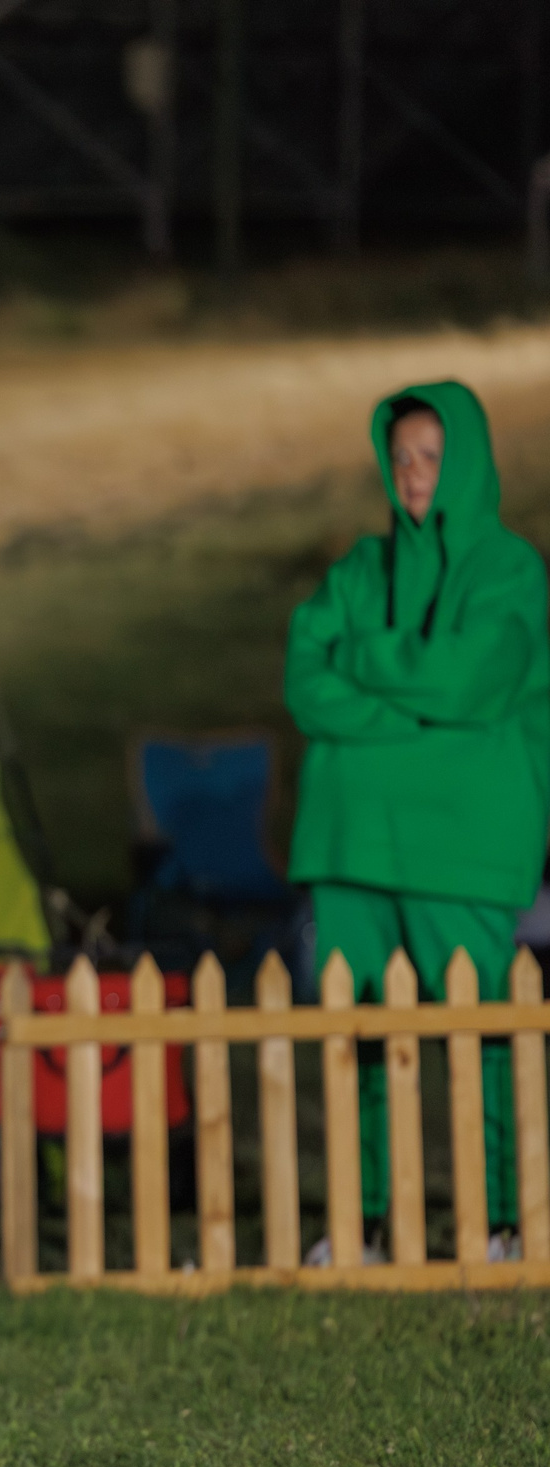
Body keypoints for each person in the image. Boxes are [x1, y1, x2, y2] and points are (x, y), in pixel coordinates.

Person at [286, 381, 548, 1264]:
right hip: (351, 843)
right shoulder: (359, 570)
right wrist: (429, 727)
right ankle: (362, 1223)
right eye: (399, 457)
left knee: (481, 1033)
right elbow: (302, 676)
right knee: (350, 1036)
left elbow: (472, 679)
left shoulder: (509, 570)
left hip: (462, 849)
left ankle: (508, 1217)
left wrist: (360, 668)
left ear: (466, 461)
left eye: (431, 456)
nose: (413, 474)